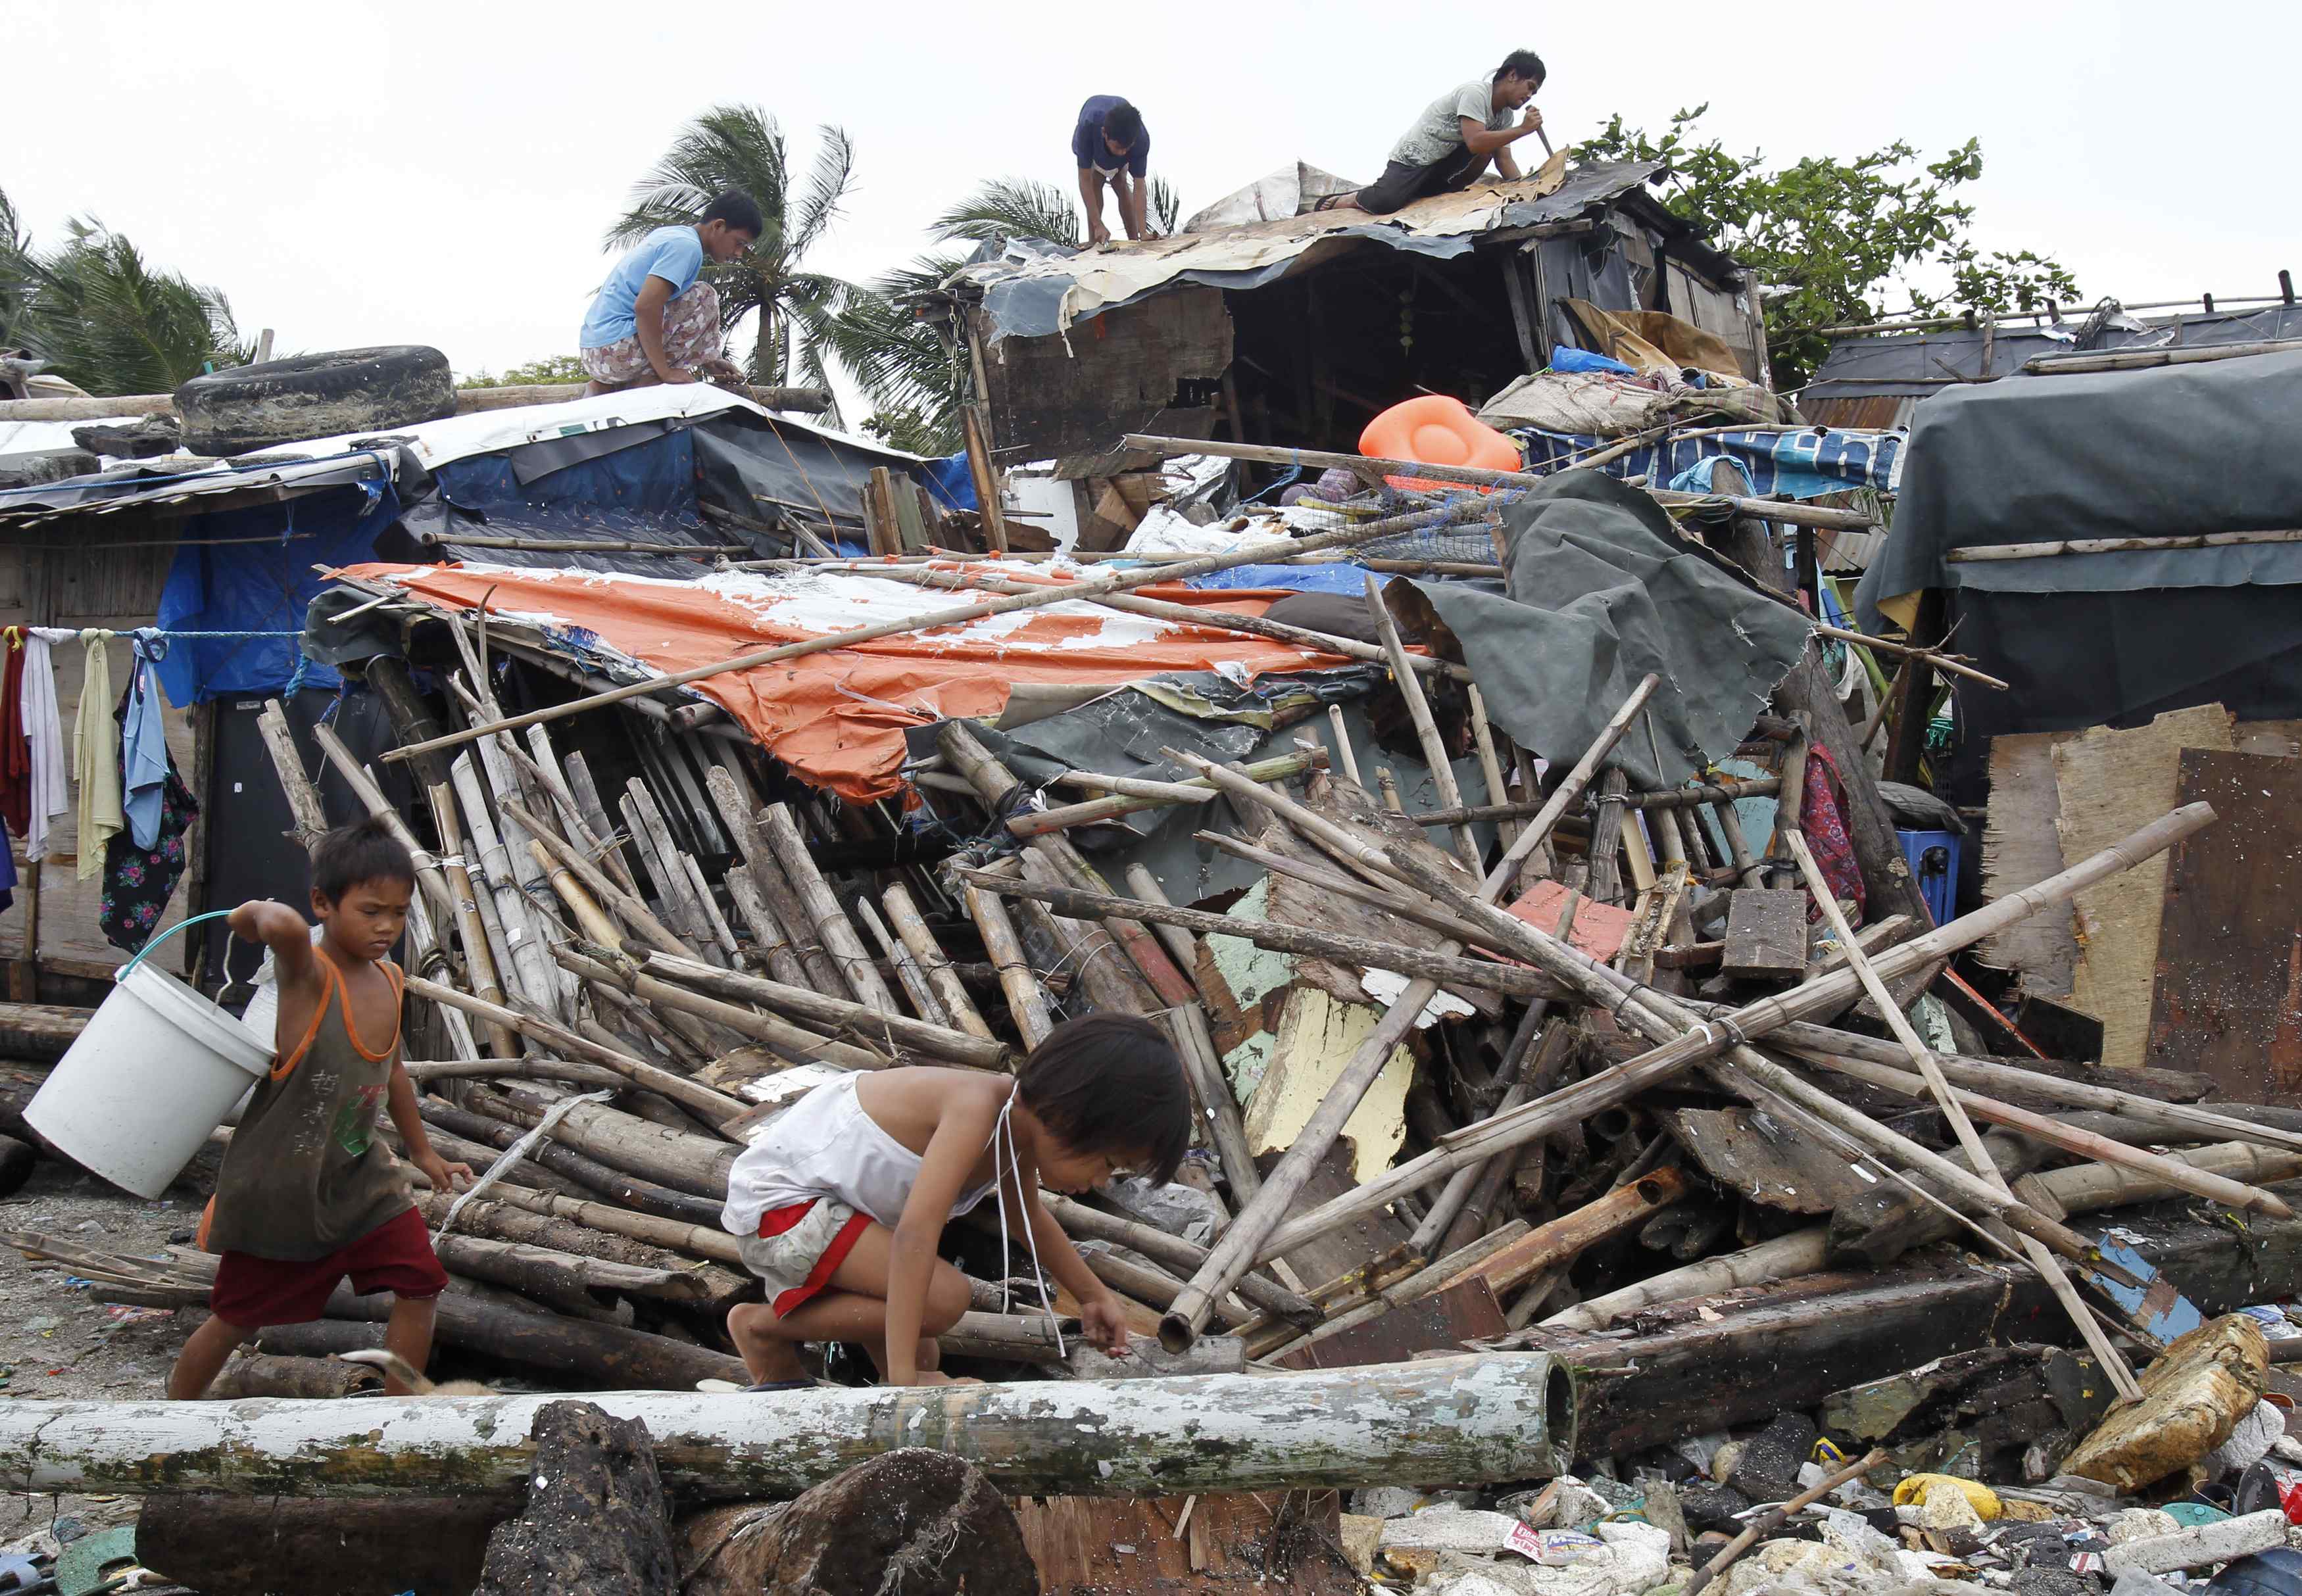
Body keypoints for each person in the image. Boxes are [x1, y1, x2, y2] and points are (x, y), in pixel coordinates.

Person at [166, 818, 472, 1399]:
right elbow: (278, 925)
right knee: (238, 1315)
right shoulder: (308, 977)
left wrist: (424, 1151)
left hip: (361, 1178)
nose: (388, 927)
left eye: (400, 912)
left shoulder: (390, 979)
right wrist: (246, 914)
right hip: (285, 1186)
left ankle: (398, 1423)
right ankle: (165, 1425)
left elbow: (395, 1072)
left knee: (421, 1282)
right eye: (371, 910)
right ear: (322, 904)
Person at [723, 1014, 1190, 1389]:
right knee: (943, 1301)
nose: (1100, 1180)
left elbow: (1028, 1218)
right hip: (783, 1204)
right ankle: (763, 1327)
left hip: (832, 1215)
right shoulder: (975, 1110)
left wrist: (1093, 1295)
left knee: (927, 1352)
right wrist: (904, 1378)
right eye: (1108, 1162)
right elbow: (916, 1232)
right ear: (1070, 1115)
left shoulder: (1016, 1128)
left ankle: (791, 1379)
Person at [578, 188, 763, 395]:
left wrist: (711, 362)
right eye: (739, 243)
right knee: (704, 296)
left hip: (595, 353)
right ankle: (648, 380)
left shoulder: (671, 234)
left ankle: (607, 384)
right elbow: (646, 306)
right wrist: (665, 372)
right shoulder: (687, 247)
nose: (739, 253)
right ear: (718, 226)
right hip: (616, 352)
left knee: (698, 294)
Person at [1330, 49, 1548, 216]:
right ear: (1512, 75)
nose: (1530, 95)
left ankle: (1453, 190)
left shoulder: (1505, 116)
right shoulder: (1476, 93)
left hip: (1443, 166)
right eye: (1529, 86)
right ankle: (1350, 199)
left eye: (1535, 92)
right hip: (1415, 159)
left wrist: (1524, 190)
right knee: (1385, 203)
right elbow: (1475, 142)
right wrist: (1522, 130)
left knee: (1486, 153)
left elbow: (1504, 157)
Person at [1073, 96, 1151, 245]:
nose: (1122, 153)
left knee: (1120, 182)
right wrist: (1098, 224)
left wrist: (1144, 232)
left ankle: (1135, 238)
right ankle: (1094, 240)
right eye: (1117, 148)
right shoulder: (1088, 127)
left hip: (1120, 144)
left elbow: (1139, 186)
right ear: (1105, 133)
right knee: (1095, 181)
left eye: (1126, 149)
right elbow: (1084, 180)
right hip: (1093, 148)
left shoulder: (1141, 139)